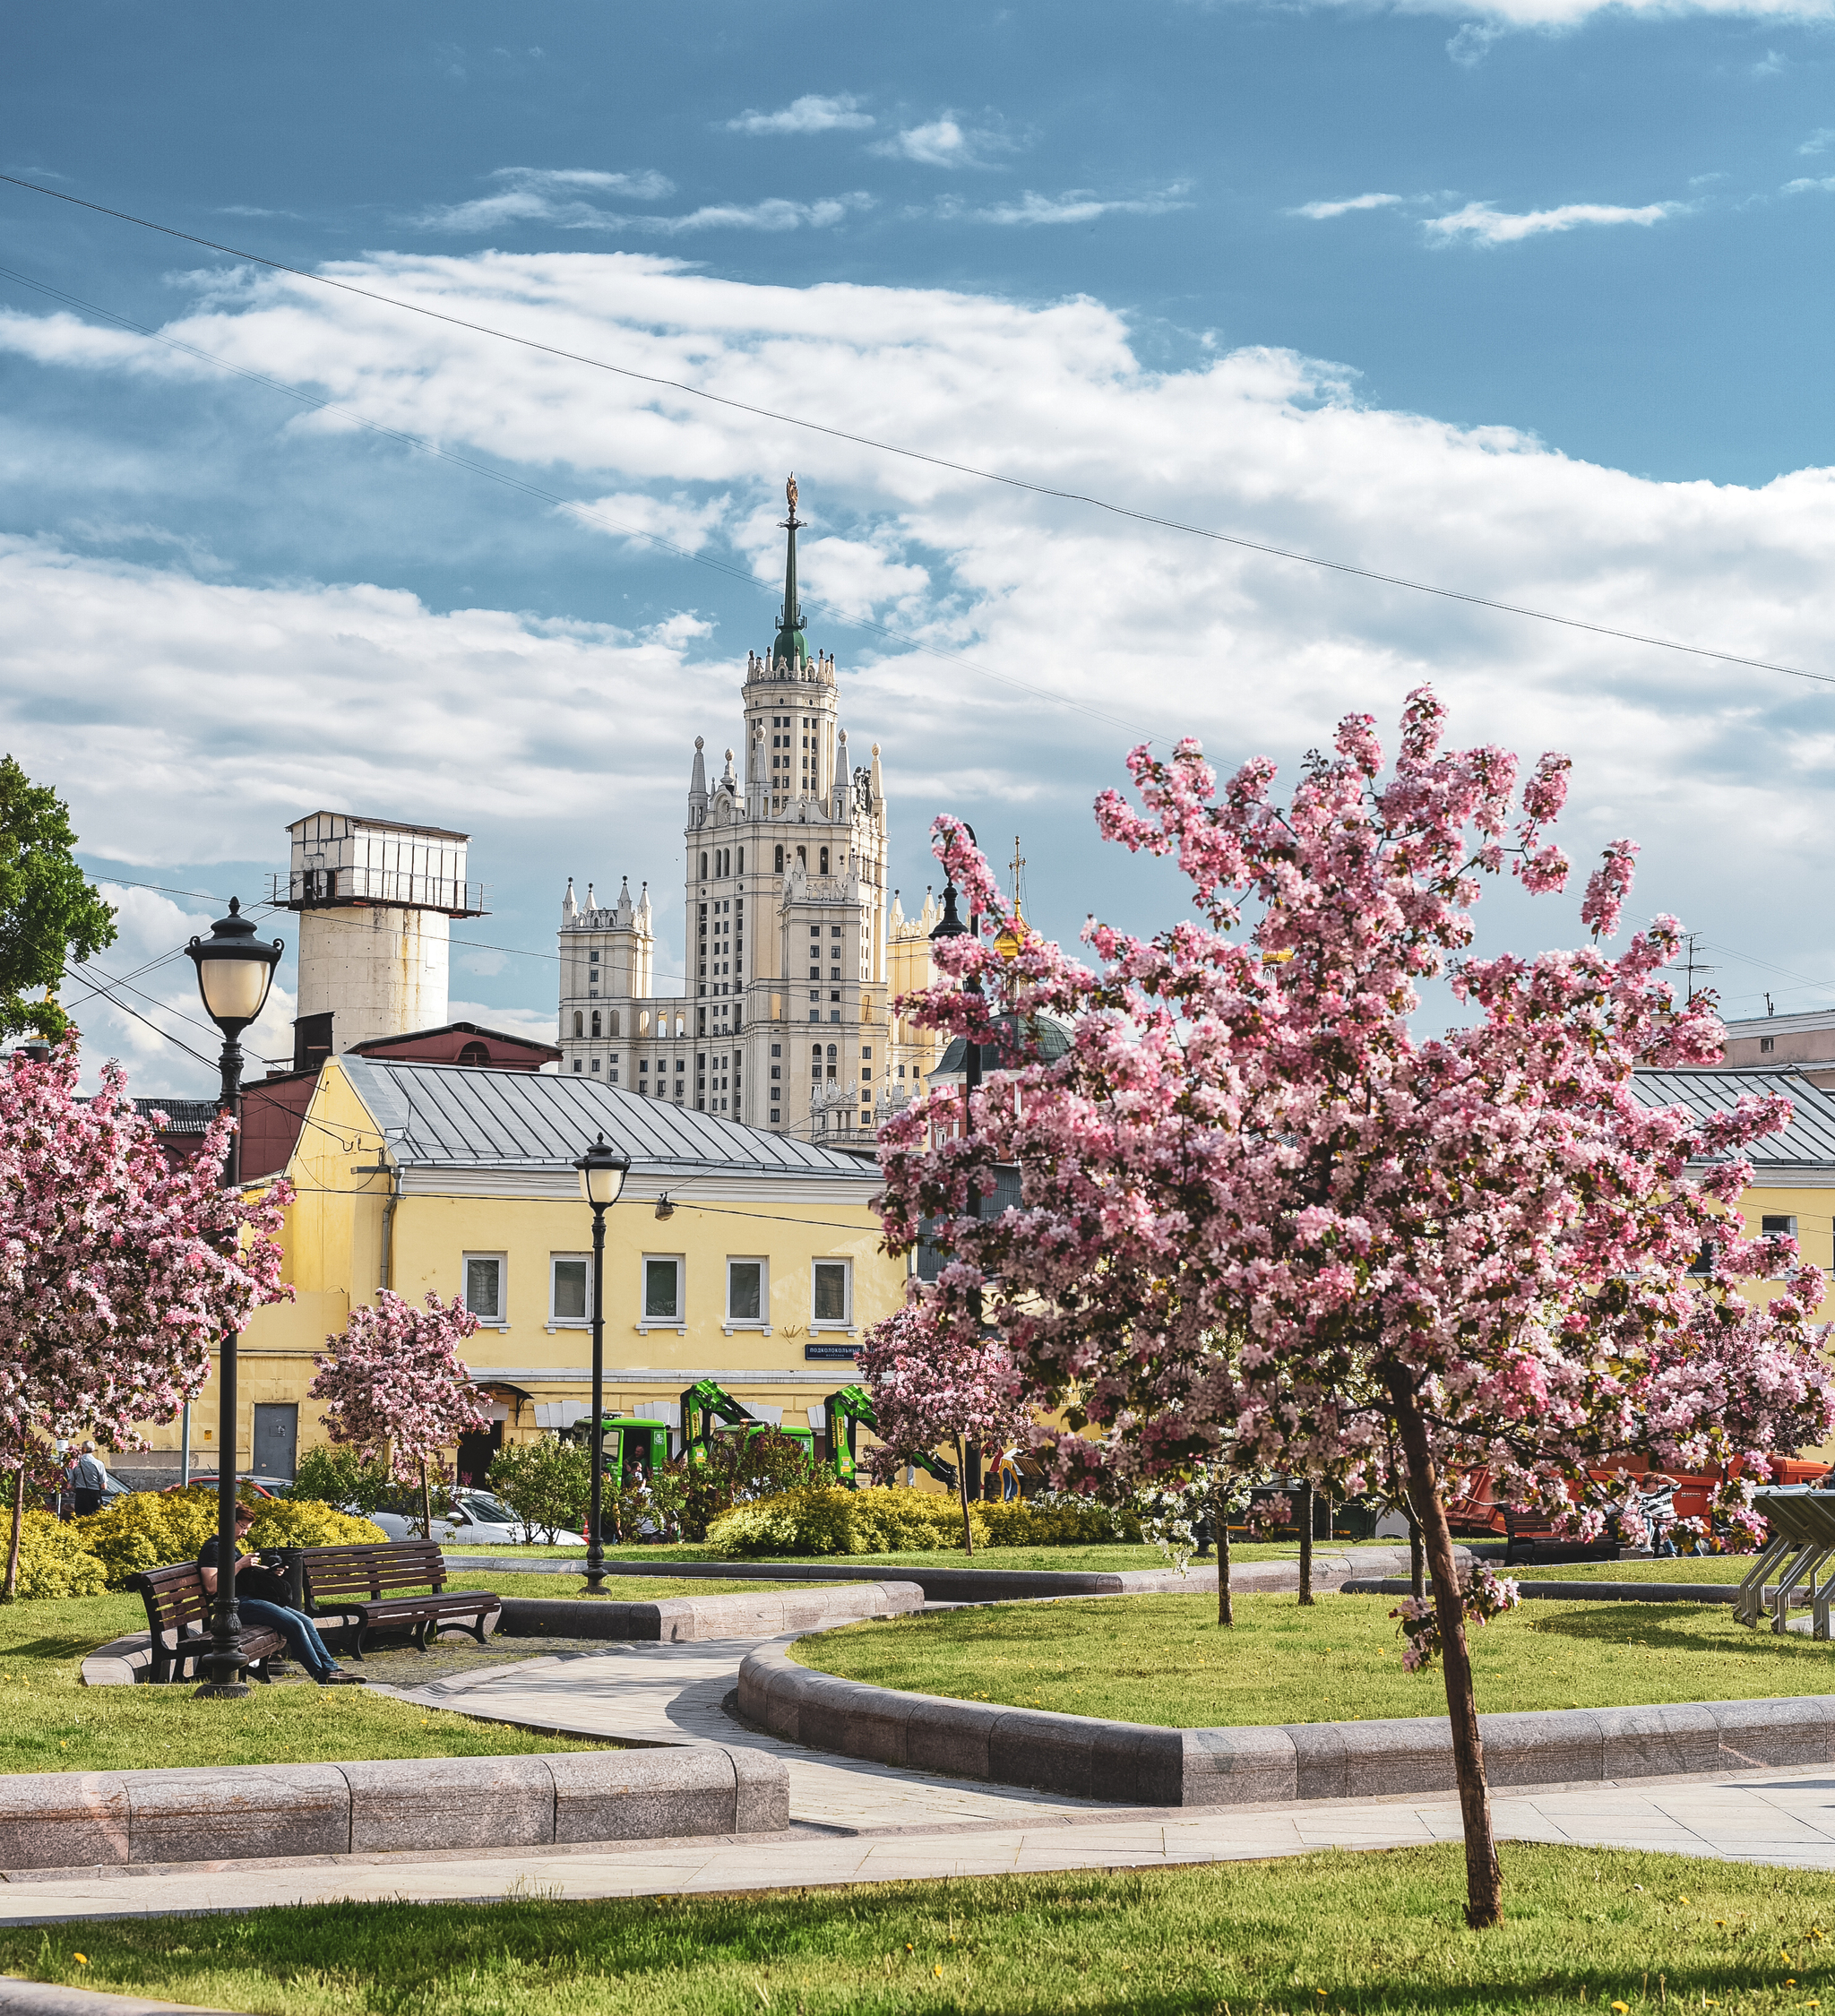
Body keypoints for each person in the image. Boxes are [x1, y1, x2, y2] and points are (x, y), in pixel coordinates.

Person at [198, 1505, 363, 1685]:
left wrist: (267, 1570)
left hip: (250, 1601)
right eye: (243, 1526)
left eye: (248, 1528)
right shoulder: (213, 1548)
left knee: (306, 1621)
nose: (245, 1533)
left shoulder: (230, 1548)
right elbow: (211, 1586)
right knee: (293, 1624)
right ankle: (322, 1676)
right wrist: (240, 1565)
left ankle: (333, 1670)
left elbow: (239, 1574)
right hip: (235, 1607)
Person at [70, 1442, 110, 1518]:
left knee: (80, 1518)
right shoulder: (99, 1464)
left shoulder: (75, 1464)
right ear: (94, 1450)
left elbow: (69, 1486)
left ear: (82, 1449)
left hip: (80, 1495)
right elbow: (104, 1486)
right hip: (94, 1495)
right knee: (94, 1519)